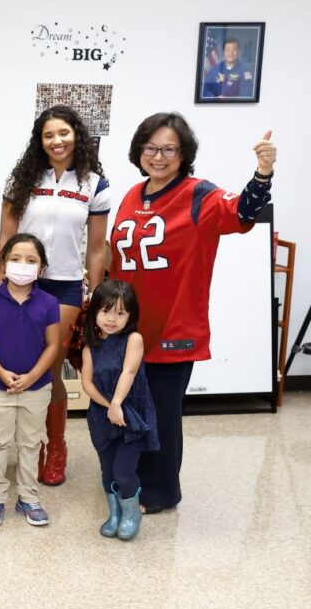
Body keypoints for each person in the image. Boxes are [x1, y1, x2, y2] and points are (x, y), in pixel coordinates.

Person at [109, 113, 276, 513]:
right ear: (139, 151)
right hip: (130, 328)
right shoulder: (134, 194)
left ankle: (163, 491)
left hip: (173, 326)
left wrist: (263, 173)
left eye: (169, 149)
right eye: (151, 148)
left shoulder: (199, 194)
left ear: (184, 154)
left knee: (162, 416)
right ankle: (132, 480)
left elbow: (241, 213)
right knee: (131, 409)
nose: (159, 156)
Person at [0, 105, 110, 486]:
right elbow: (6, 235)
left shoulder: (94, 184)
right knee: (18, 359)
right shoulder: (23, 179)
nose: (57, 140)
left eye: (63, 133)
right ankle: (24, 445)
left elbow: (96, 247)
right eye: (48, 135)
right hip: (21, 280)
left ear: (76, 135)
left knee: (47, 365)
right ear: (39, 141)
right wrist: (2, 280)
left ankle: (55, 446)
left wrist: (94, 295)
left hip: (63, 286)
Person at [0, 234, 61, 527]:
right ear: (3, 264)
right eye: (15, 259)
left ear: (42, 267)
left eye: (31, 260)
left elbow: (52, 346)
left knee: (30, 443)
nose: (22, 265)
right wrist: (2, 373)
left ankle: (29, 497)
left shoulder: (49, 303)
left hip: (36, 387)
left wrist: (32, 377)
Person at [80, 280, 159, 541]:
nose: (112, 319)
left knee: (124, 470)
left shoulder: (133, 339)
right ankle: (114, 514)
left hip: (129, 415)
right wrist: (108, 407)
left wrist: (117, 405)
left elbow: (129, 372)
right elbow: (87, 384)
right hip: (102, 416)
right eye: (106, 311)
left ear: (130, 316)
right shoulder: (91, 346)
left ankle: (132, 513)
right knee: (107, 470)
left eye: (120, 313)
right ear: (95, 313)